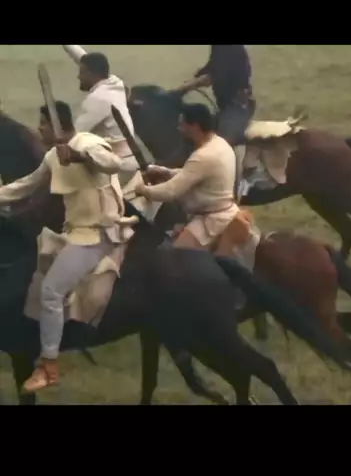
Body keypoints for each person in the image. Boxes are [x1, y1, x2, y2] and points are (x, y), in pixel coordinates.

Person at [0, 101, 134, 393]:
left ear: (57, 126)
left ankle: (49, 365)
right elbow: (26, 185)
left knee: (51, 291)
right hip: (73, 233)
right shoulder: (52, 156)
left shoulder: (89, 142)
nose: (39, 129)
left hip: (98, 236)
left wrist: (77, 155)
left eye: (43, 124)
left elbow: (113, 163)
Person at [135, 102, 253, 252]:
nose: (179, 128)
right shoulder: (220, 144)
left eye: (182, 125)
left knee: (175, 256)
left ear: (194, 126)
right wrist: (166, 172)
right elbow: (193, 174)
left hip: (211, 221)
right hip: (223, 212)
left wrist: (142, 190)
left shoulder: (202, 156)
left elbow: (170, 192)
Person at [175, 45, 256, 195]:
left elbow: (214, 76)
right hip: (226, 107)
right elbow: (213, 65)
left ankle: (237, 186)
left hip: (238, 107)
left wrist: (186, 87)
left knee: (222, 144)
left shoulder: (231, 48)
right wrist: (197, 75)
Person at [62, 46, 138, 188]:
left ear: (92, 74)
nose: (78, 77)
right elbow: (84, 58)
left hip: (119, 166)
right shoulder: (114, 83)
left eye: (81, 72)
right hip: (129, 158)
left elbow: (74, 135)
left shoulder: (98, 99)